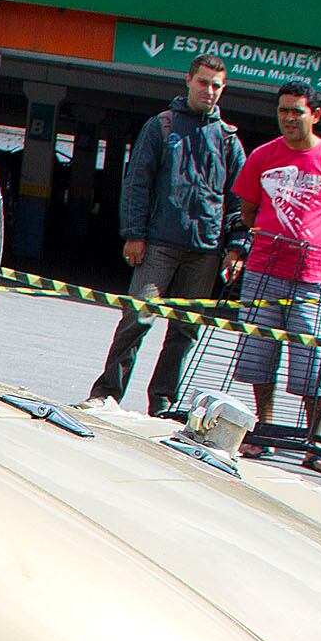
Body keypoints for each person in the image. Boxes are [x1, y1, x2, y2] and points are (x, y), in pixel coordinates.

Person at [86, 52, 245, 415]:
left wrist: (235, 247)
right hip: (158, 244)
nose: (209, 91)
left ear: (224, 90)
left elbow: (239, 200)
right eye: (203, 82)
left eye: (216, 86)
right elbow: (138, 182)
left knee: (185, 332)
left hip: (205, 251)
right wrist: (134, 234)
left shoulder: (228, 140)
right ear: (188, 80)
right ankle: (106, 393)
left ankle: (162, 403)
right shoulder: (162, 126)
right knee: (136, 318)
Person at [229, 81, 321, 448]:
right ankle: (263, 432)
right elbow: (247, 210)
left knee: (312, 367)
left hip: (310, 281)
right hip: (261, 274)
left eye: (296, 111)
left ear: (315, 115)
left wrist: (319, 254)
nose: (288, 118)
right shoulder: (262, 156)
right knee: (259, 359)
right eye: (283, 111)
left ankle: (311, 442)